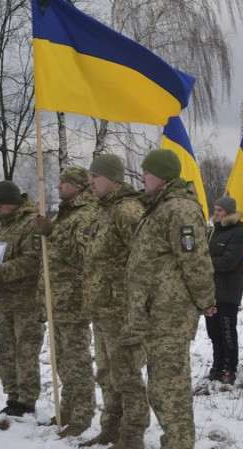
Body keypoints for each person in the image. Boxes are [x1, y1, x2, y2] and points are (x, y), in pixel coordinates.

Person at [124, 149, 216, 449]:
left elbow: (196, 261)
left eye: (146, 172)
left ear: (162, 176)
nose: (141, 177)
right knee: (160, 391)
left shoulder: (180, 210)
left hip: (170, 315)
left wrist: (206, 301)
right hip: (154, 315)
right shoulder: (158, 207)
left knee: (169, 393)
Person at [80, 154, 149, 449]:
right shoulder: (104, 210)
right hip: (103, 310)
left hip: (123, 311)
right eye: (89, 177)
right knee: (107, 374)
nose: (90, 182)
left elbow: (145, 259)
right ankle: (111, 429)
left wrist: (138, 305)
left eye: (95, 176)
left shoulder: (128, 211)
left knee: (126, 376)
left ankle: (132, 437)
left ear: (113, 179)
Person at [35, 166, 98, 437]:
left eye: (64, 182)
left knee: (77, 361)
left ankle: (83, 414)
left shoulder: (86, 215)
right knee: (62, 362)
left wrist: (53, 233)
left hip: (74, 301)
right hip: (58, 301)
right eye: (59, 181)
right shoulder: (66, 214)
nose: (58, 186)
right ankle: (67, 410)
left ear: (78, 187)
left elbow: (83, 257)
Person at [0, 181, 43, 417]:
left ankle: (27, 400)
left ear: (13, 203)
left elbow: (33, 259)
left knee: (25, 352)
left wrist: (0, 274)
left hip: (27, 300)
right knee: (5, 351)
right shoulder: (0, 225)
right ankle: (13, 397)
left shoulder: (32, 223)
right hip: (4, 300)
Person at [206, 196, 243, 384]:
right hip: (210, 291)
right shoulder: (213, 232)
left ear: (230, 212)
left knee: (227, 332)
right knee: (213, 332)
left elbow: (227, 262)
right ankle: (217, 363)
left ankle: (230, 367)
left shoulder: (238, 234)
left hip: (227, 293)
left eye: (220, 210)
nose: (216, 213)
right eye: (215, 209)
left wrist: (202, 264)